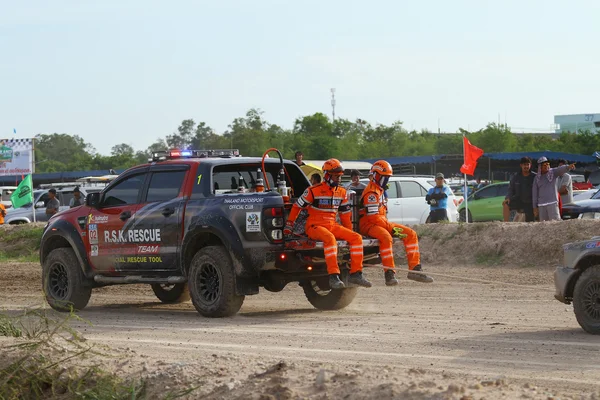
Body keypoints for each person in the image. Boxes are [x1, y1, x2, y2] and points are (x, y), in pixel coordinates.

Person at [284, 158, 372, 290]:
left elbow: (345, 215)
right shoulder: (313, 190)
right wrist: (289, 225)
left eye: (340, 176)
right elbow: (297, 207)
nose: (339, 179)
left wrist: (349, 233)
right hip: (314, 226)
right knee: (330, 239)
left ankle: (356, 273)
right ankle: (333, 276)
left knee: (356, 238)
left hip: (331, 225)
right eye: (336, 176)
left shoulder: (342, 192)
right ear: (327, 175)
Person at [359, 160, 433, 285]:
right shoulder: (371, 192)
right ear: (376, 176)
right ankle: (389, 274)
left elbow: (381, 218)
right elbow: (373, 218)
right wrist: (392, 228)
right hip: (369, 225)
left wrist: (390, 227)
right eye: (384, 178)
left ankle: (415, 269)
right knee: (386, 237)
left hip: (380, 223)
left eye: (387, 178)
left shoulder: (380, 191)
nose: (386, 181)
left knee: (411, 234)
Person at [532, 156, 575, 221]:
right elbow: (534, 193)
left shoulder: (553, 172)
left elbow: (560, 169)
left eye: (547, 164)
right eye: (544, 165)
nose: (546, 166)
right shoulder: (537, 178)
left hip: (552, 203)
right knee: (543, 225)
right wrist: (535, 207)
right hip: (541, 205)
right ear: (540, 167)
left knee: (555, 224)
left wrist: (568, 167)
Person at [504, 156, 536, 222]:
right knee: (506, 204)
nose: (526, 166)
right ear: (521, 165)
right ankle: (505, 224)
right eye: (524, 164)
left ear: (530, 165)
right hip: (518, 200)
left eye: (528, 164)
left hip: (531, 202)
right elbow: (510, 189)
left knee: (529, 222)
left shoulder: (535, 177)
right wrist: (508, 197)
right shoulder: (516, 177)